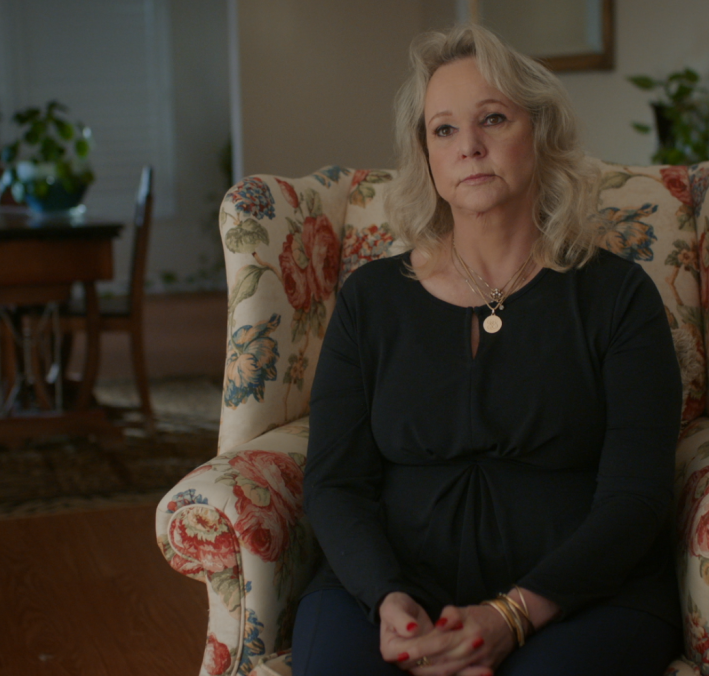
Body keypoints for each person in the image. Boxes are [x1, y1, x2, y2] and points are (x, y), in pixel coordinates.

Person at [292, 23, 682, 676]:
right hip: (389, 589)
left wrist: (515, 614)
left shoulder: (617, 297)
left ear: (541, 133)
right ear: (426, 154)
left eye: (492, 119)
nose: (468, 146)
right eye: (443, 129)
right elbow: (334, 483)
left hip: (581, 596)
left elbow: (636, 496)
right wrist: (386, 598)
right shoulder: (371, 300)